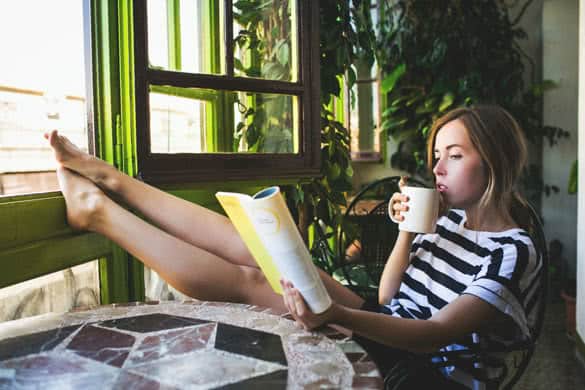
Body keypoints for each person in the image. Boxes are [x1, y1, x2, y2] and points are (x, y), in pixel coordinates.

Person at [45, 104, 541, 389]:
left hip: (427, 373)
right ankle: (112, 181)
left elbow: (434, 335)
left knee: (252, 281)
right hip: (392, 326)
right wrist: (408, 232)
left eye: (454, 156)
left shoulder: (513, 251)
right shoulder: (450, 222)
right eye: (437, 156)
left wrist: (332, 317)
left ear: (495, 163)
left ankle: (101, 214)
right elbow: (391, 299)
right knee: (259, 244)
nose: (437, 169)